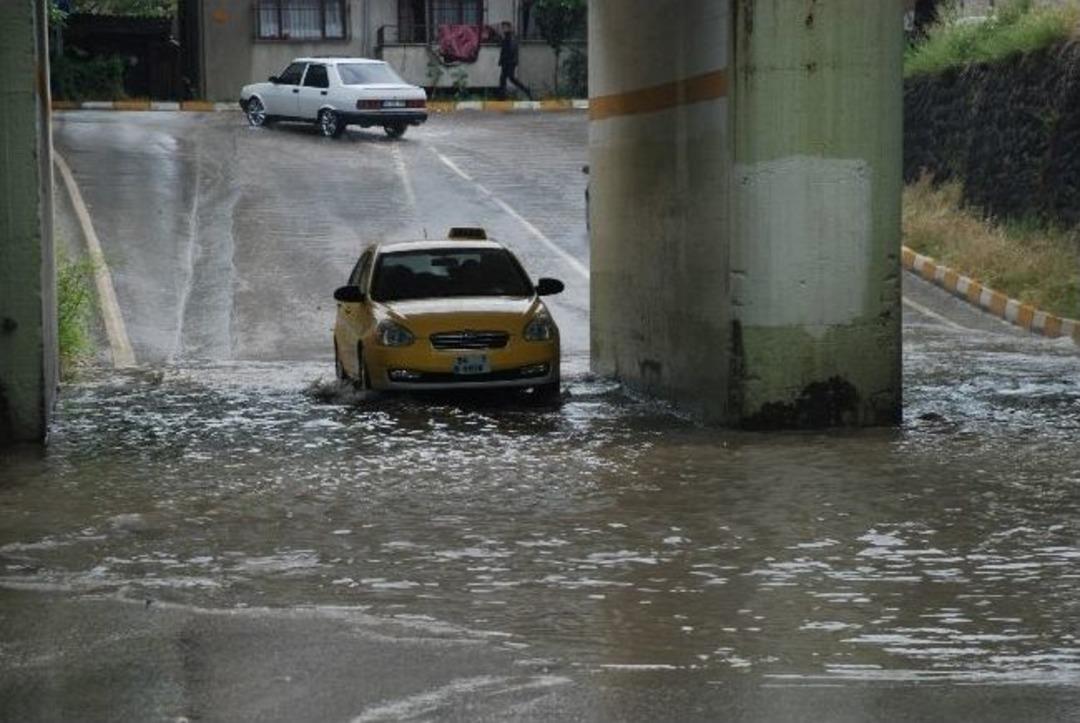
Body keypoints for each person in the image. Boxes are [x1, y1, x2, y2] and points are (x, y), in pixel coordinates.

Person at [498, 21, 533, 101]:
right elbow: (504, 50)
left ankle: (526, 90)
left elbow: (511, 50)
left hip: (510, 62)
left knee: (511, 78)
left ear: (509, 28)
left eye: (505, 27)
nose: (503, 29)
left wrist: (509, 60)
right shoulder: (506, 37)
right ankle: (502, 97)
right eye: (503, 27)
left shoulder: (511, 37)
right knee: (503, 79)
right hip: (506, 62)